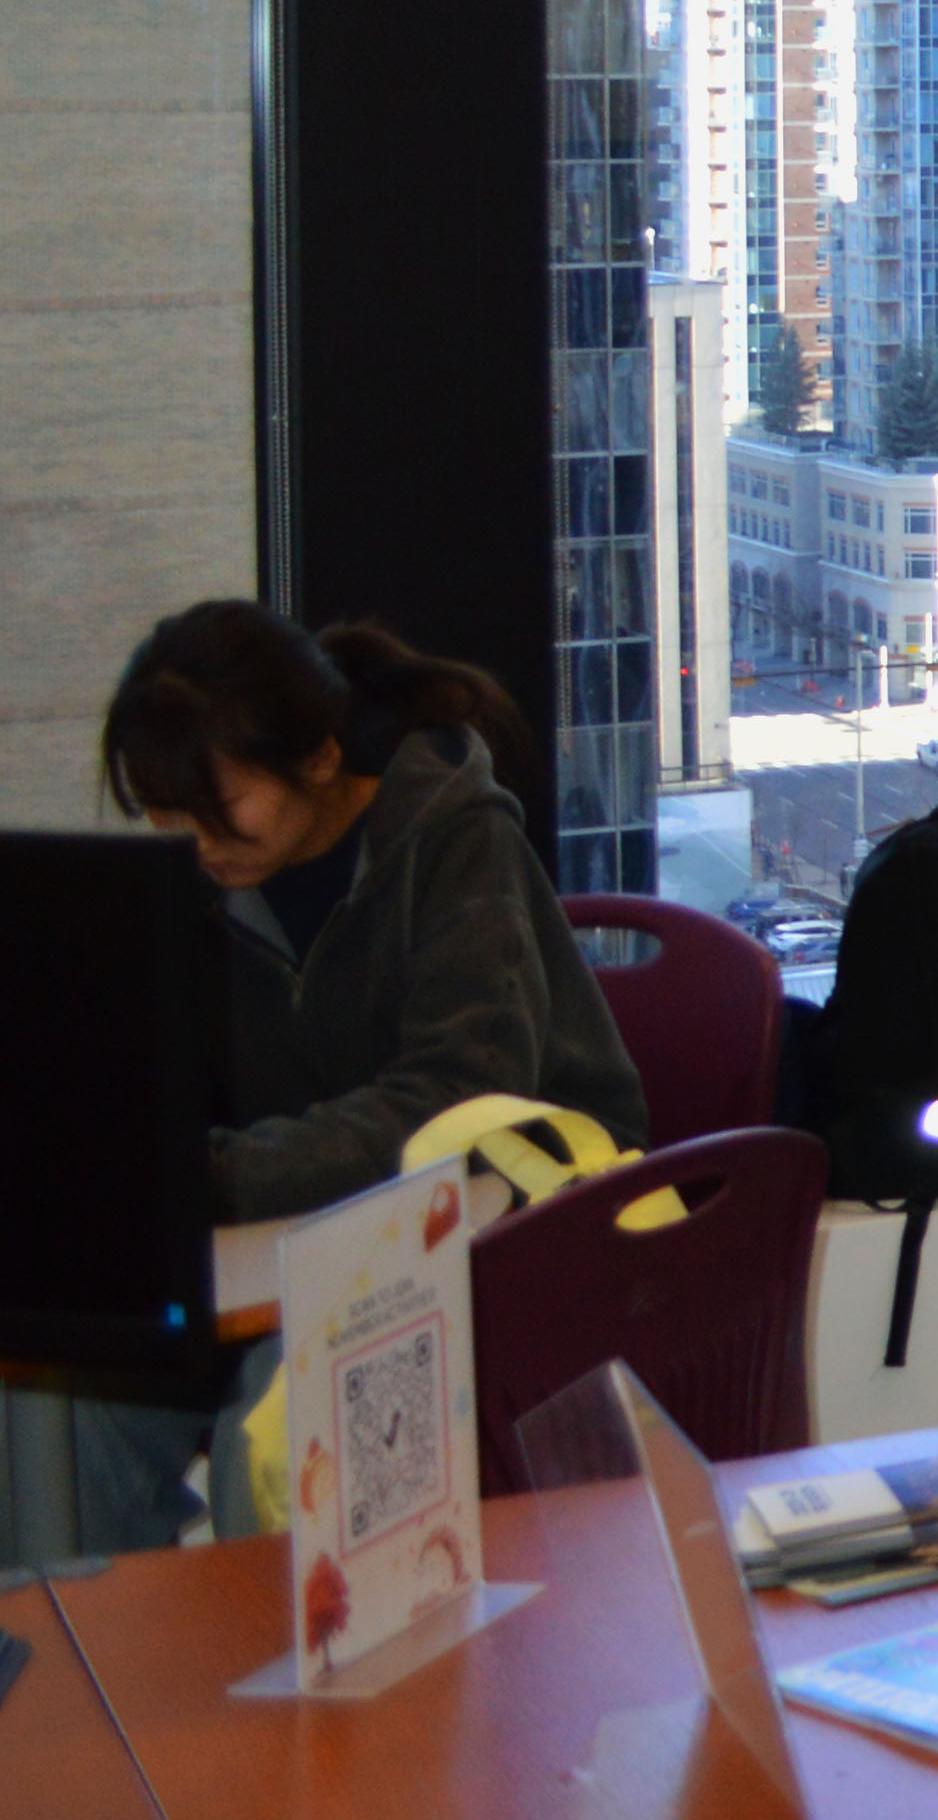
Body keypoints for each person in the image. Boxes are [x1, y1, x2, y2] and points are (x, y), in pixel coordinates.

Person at [76, 607, 650, 1552]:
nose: (194, 843)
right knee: (70, 1398)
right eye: (165, 815)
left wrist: (215, 1176)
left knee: (273, 1410)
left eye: (218, 808)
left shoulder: (452, 837)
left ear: (318, 759)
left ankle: (272, 1686)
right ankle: (100, 1675)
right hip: (310, 1229)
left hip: (512, 1220)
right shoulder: (200, 883)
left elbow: (456, 1101)